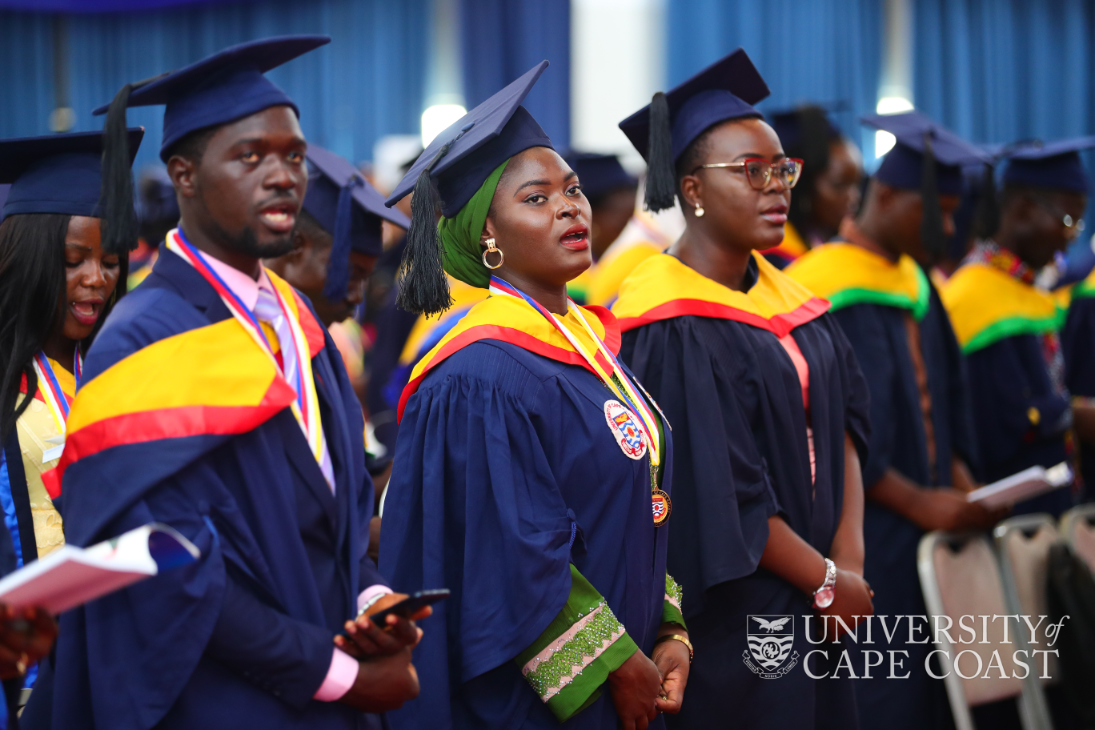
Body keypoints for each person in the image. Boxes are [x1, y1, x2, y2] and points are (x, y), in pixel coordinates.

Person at [24, 37, 424, 730]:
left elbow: (338, 517)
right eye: (250, 156)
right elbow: (166, 562)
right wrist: (336, 676)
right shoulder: (143, 335)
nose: (281, 176)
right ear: (182, 174)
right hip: (224, 701)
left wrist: (371, 603)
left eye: (293, 156)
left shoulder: (298, 323)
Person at [379, 61, 690, 730]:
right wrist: (613, 663)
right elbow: (508, 552)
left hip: (633, 667)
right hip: (552, 700)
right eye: (536, 198)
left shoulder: (585, 339)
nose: (570, 206)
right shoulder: (481, 373)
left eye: (571, 189)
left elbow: (641, 497)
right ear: (484, 235)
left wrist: (668, 629)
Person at [612, 48, 873, 729]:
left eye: (782, 169)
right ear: (691, 189)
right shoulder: (663, 320)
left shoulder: (798, 298)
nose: (776, 187)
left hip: (826, 603)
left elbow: (843, 426)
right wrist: (820, 577)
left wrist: (847, 558)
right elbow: (721, 485)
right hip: (742, 614)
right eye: (750, 172)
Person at [787, 111, 1006, 730]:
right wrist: (921, 503)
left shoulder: (916, 282)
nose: (945, 229)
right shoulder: (820, 290)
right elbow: (839, 432)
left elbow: (951, 398)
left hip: (935, 526)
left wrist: (965, 481)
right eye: (931, 212)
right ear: (883, 195)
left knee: (948, 694)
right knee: (886, 692)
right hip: (868, 534)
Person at [0, 130, 134, 712]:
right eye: (72, 260)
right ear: (28, 258)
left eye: (108, 261)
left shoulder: (109, 371)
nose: (96, 280)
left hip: (100, 655)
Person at [946, 138, 1095, 514]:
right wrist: (1071, 414)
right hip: (1008, 513)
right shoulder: (972, 295)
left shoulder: (1030, 291)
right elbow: (996, 426)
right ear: (1024, 209)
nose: (1069, 238)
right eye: (1067, 221)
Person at [762, 105, 862, 268]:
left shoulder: (827, 244)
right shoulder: (774, 257)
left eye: (856, 183)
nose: (854, 197)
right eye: (839, 186)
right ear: (803, 186)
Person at [564, 152, 660, 306]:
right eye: (625, 222)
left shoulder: (640, 260)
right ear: (591, 218)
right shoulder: (570, 284)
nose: (632, 233)